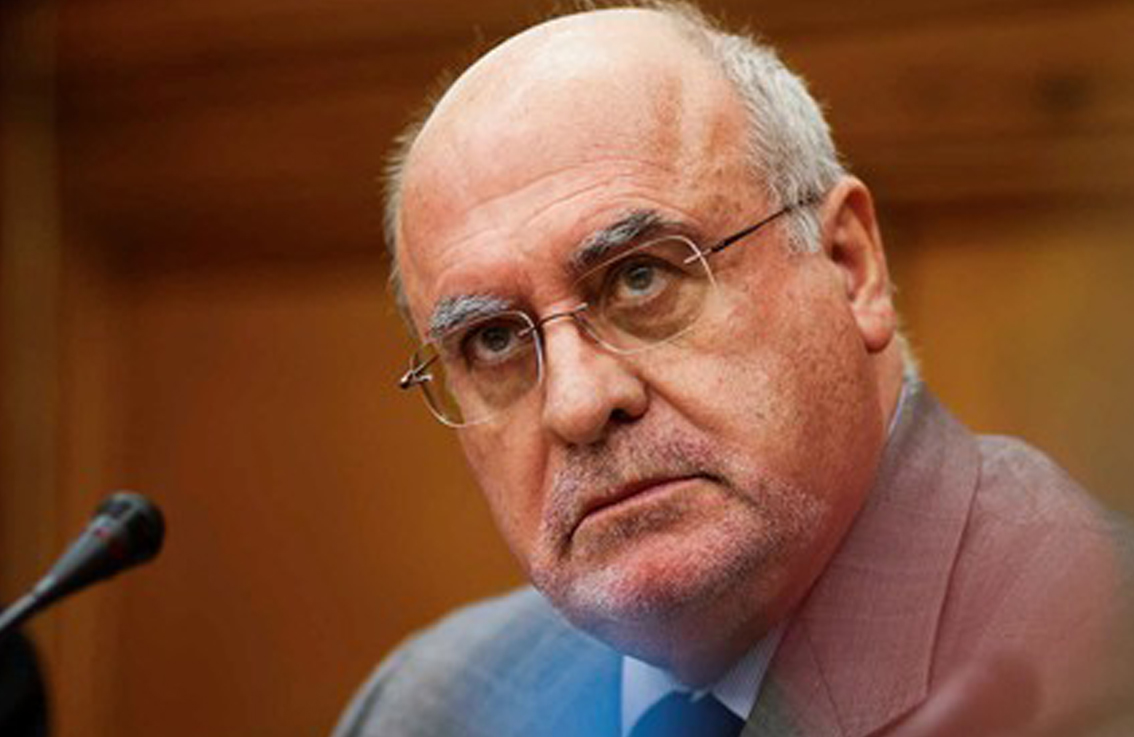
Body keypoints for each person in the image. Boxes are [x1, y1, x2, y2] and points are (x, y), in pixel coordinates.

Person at [332, 3, 1133, 735]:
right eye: (493, 340)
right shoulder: (428, 707)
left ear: (849, 265)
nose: (576, 402)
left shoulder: (1099, 661)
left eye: (640, 278)